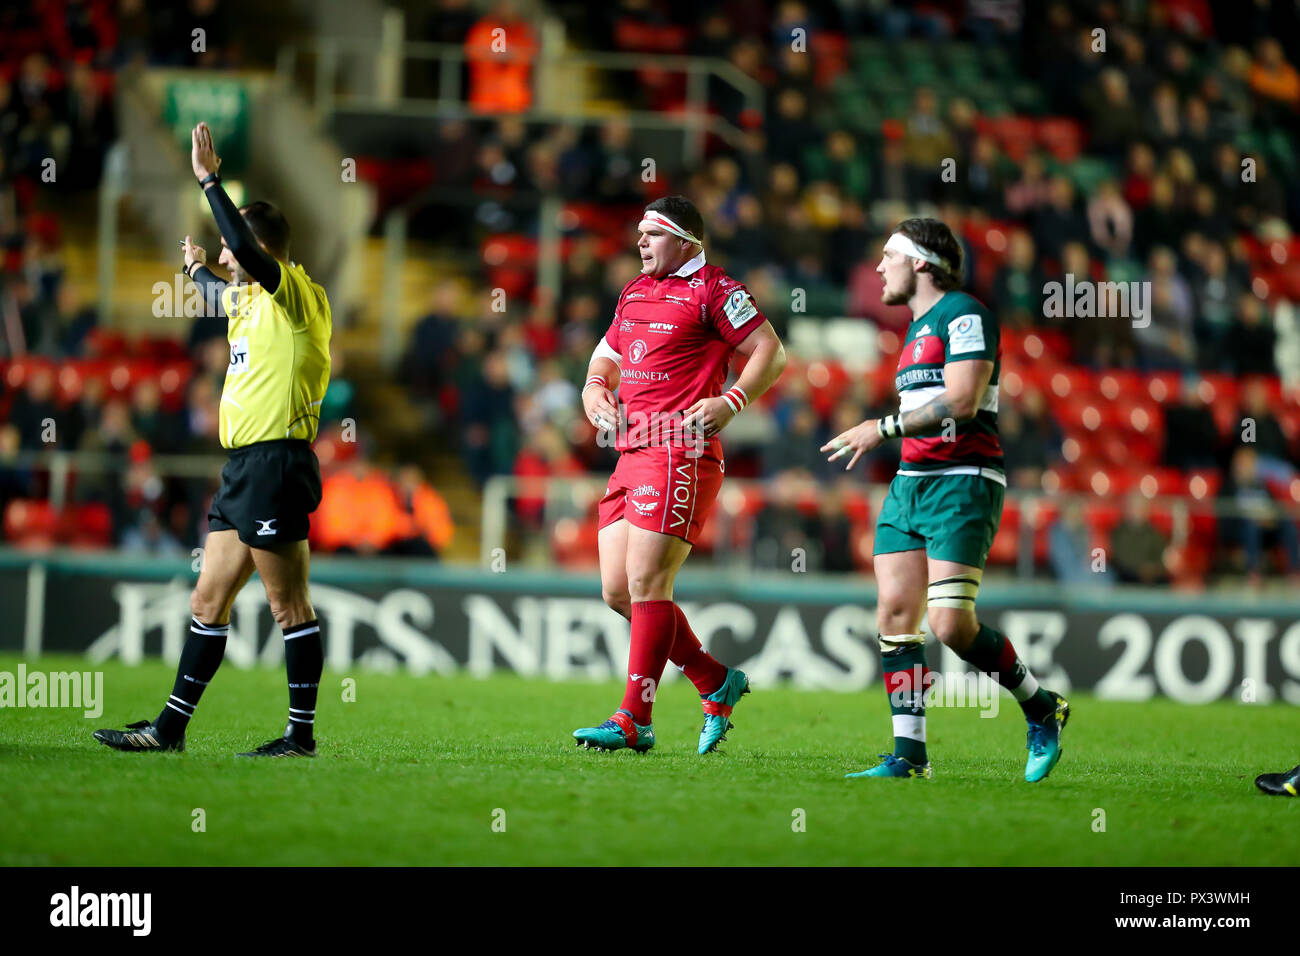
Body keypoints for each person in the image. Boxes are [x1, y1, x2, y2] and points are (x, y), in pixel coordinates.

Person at [94, 122, 331, 758]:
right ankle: (167, 732)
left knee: (288, 606)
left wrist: (208, 181)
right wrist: (193, 268)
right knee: (208, 596)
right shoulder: (249, 301)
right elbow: (215, 289)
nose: (226, 257)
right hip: (243, 470)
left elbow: (248, 257)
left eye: (231, 249)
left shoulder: (295, 296)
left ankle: (299, 737)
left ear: (257, 248)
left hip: (277, 462)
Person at [822, 218, 1069, 782]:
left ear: (921, 263)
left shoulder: (964, 315)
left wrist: (878, 428)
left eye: (889, 255)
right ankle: (910, 755)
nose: (878, 267)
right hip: (911, 483)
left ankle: (1040, 705)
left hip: (963, 480)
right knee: (895, 615)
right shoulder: (913, 332)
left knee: (952, 625)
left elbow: (962, 399)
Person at [574, 196, 787, 754]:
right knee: (619, 592)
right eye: (639, 233)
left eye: (653, 234)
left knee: (648, 584)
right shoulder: (635, 291)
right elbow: (607, 356)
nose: (640, 243)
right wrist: (594, 386)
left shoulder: (715, 289)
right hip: (629, 450)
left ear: (687, 241)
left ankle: (633, 720)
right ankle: (715, 681)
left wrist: (735, 400)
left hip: (680, 450)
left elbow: (770, 349)